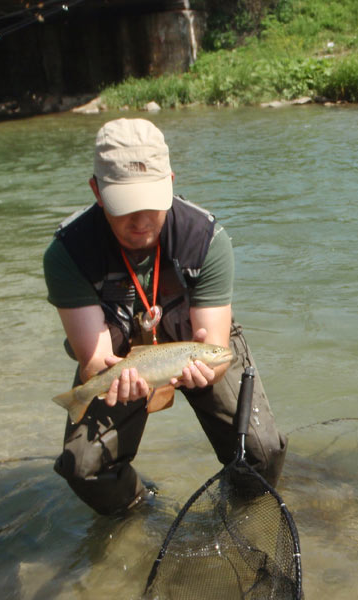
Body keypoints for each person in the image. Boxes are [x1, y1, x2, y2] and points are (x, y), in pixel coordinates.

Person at [43, 118, 287, 515]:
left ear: (171, 182)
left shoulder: (205, 239)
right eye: (125, 206)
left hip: (192, 338)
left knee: (261, 453)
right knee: (83, 468)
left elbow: (216, 349)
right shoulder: (69, 252)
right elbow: (94, 360)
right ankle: (141, 512)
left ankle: (243, 512)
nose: (140, 220)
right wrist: (105, 374)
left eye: (152, 204)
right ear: (97, 192)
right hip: (120, 353)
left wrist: (212, 366)